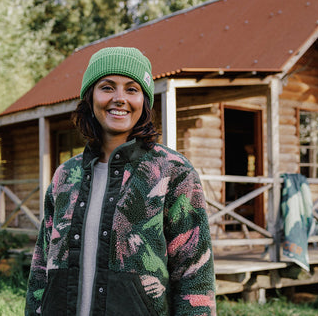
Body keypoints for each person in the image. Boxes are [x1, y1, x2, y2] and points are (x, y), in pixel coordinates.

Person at [24, 47, 216, 316]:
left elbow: (195, 273)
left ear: (144, 101)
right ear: (90, 98)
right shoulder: (65, 176)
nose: (119, 99)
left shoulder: (173, 172)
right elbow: (41, 266)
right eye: (107, 87)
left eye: (132, 89)